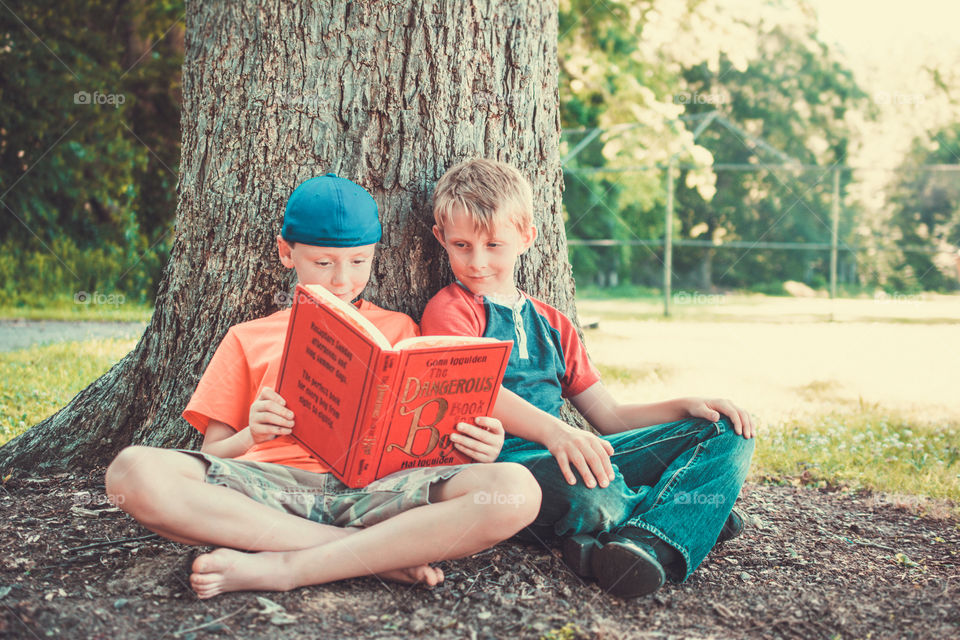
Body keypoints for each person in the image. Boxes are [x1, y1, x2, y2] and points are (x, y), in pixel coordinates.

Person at [105, 173, 541, 599]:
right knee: (134, 471)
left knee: (516, 491)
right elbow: (212, 454)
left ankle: (289, 567)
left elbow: (432, 429)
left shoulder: (401, 329)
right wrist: (251, 434)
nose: (341, 280)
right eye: (323, 263)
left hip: (382, 492)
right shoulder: (247, 337)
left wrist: (478, 445)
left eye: (359, 262)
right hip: (273, 490)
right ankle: (370, 556)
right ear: (286, 253)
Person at [420, 158, 756, 598]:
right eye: (461, 245)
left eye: (493, 245)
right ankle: (677, 523)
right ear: (440, 238)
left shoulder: (554, 324)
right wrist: (557, 434)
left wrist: (683, 405)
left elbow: (610, 417)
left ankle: (639, 540)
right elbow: (475, 391)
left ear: (526, 238)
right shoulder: (449, 310)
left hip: (578, 450)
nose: (477, 261)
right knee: (592, 496)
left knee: (725, 430)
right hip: (511, 467)